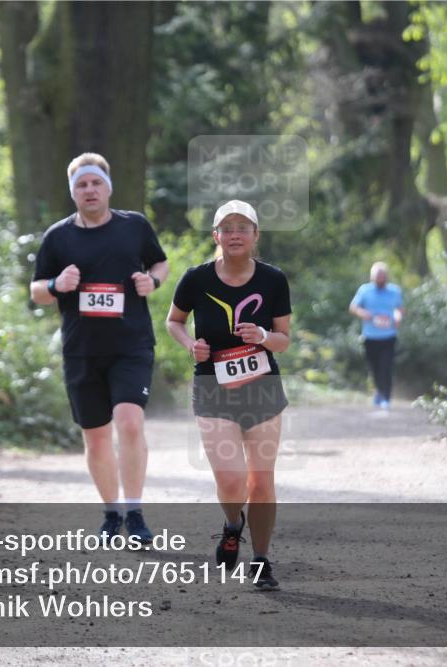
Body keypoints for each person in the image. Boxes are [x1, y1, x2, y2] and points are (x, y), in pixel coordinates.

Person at [30, 152, 169, 544]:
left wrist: (153, 282)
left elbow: (160, 263)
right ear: (72, 191)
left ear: (108, 187)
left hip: (131, 344)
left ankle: (135, 513)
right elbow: (36, 291)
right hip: (82, 349)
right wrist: (56, 285)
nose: (89, 190)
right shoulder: (58, 237)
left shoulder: (134, 226)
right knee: (95, 437)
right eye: (81, 185)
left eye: (95, 183)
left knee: (130, 422)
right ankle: (112, 513)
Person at [166, 200, 291, 591]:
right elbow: (173, 321)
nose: (235, 234)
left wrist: (264, 336)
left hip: (262, 387)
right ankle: (233, 524)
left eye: (243, 227)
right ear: (215, 236)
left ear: (255, 235)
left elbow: (284, 339)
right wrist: (190, 345)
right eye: (227, 227)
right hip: (212, 387)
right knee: (232, 479)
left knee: (262, 482)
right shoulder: (196, 278)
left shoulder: (273, 279)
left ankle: (261, 560)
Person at [349, 262, 403, 412]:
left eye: (382, 276)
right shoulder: (364, 290)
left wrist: (398, 318)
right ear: (372, 277)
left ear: (386, 277)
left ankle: (386, 397)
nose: (380, 279)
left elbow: (399, 309)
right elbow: (353, 307)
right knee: (374, 368)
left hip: (389, 336)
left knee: (386, 367)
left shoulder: (394, 291)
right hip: (370, 337)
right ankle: (379, 391)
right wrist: (364, 313)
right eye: (377, 277)